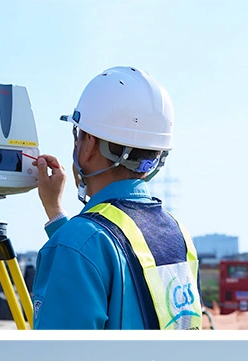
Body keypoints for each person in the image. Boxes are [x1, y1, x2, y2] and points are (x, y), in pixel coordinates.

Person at [30, 66, 201, 329]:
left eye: (78, 135)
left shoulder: (77, 244)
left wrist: (66, 238)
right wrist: (55, 211)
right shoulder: (179, 235)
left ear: (88, 145)